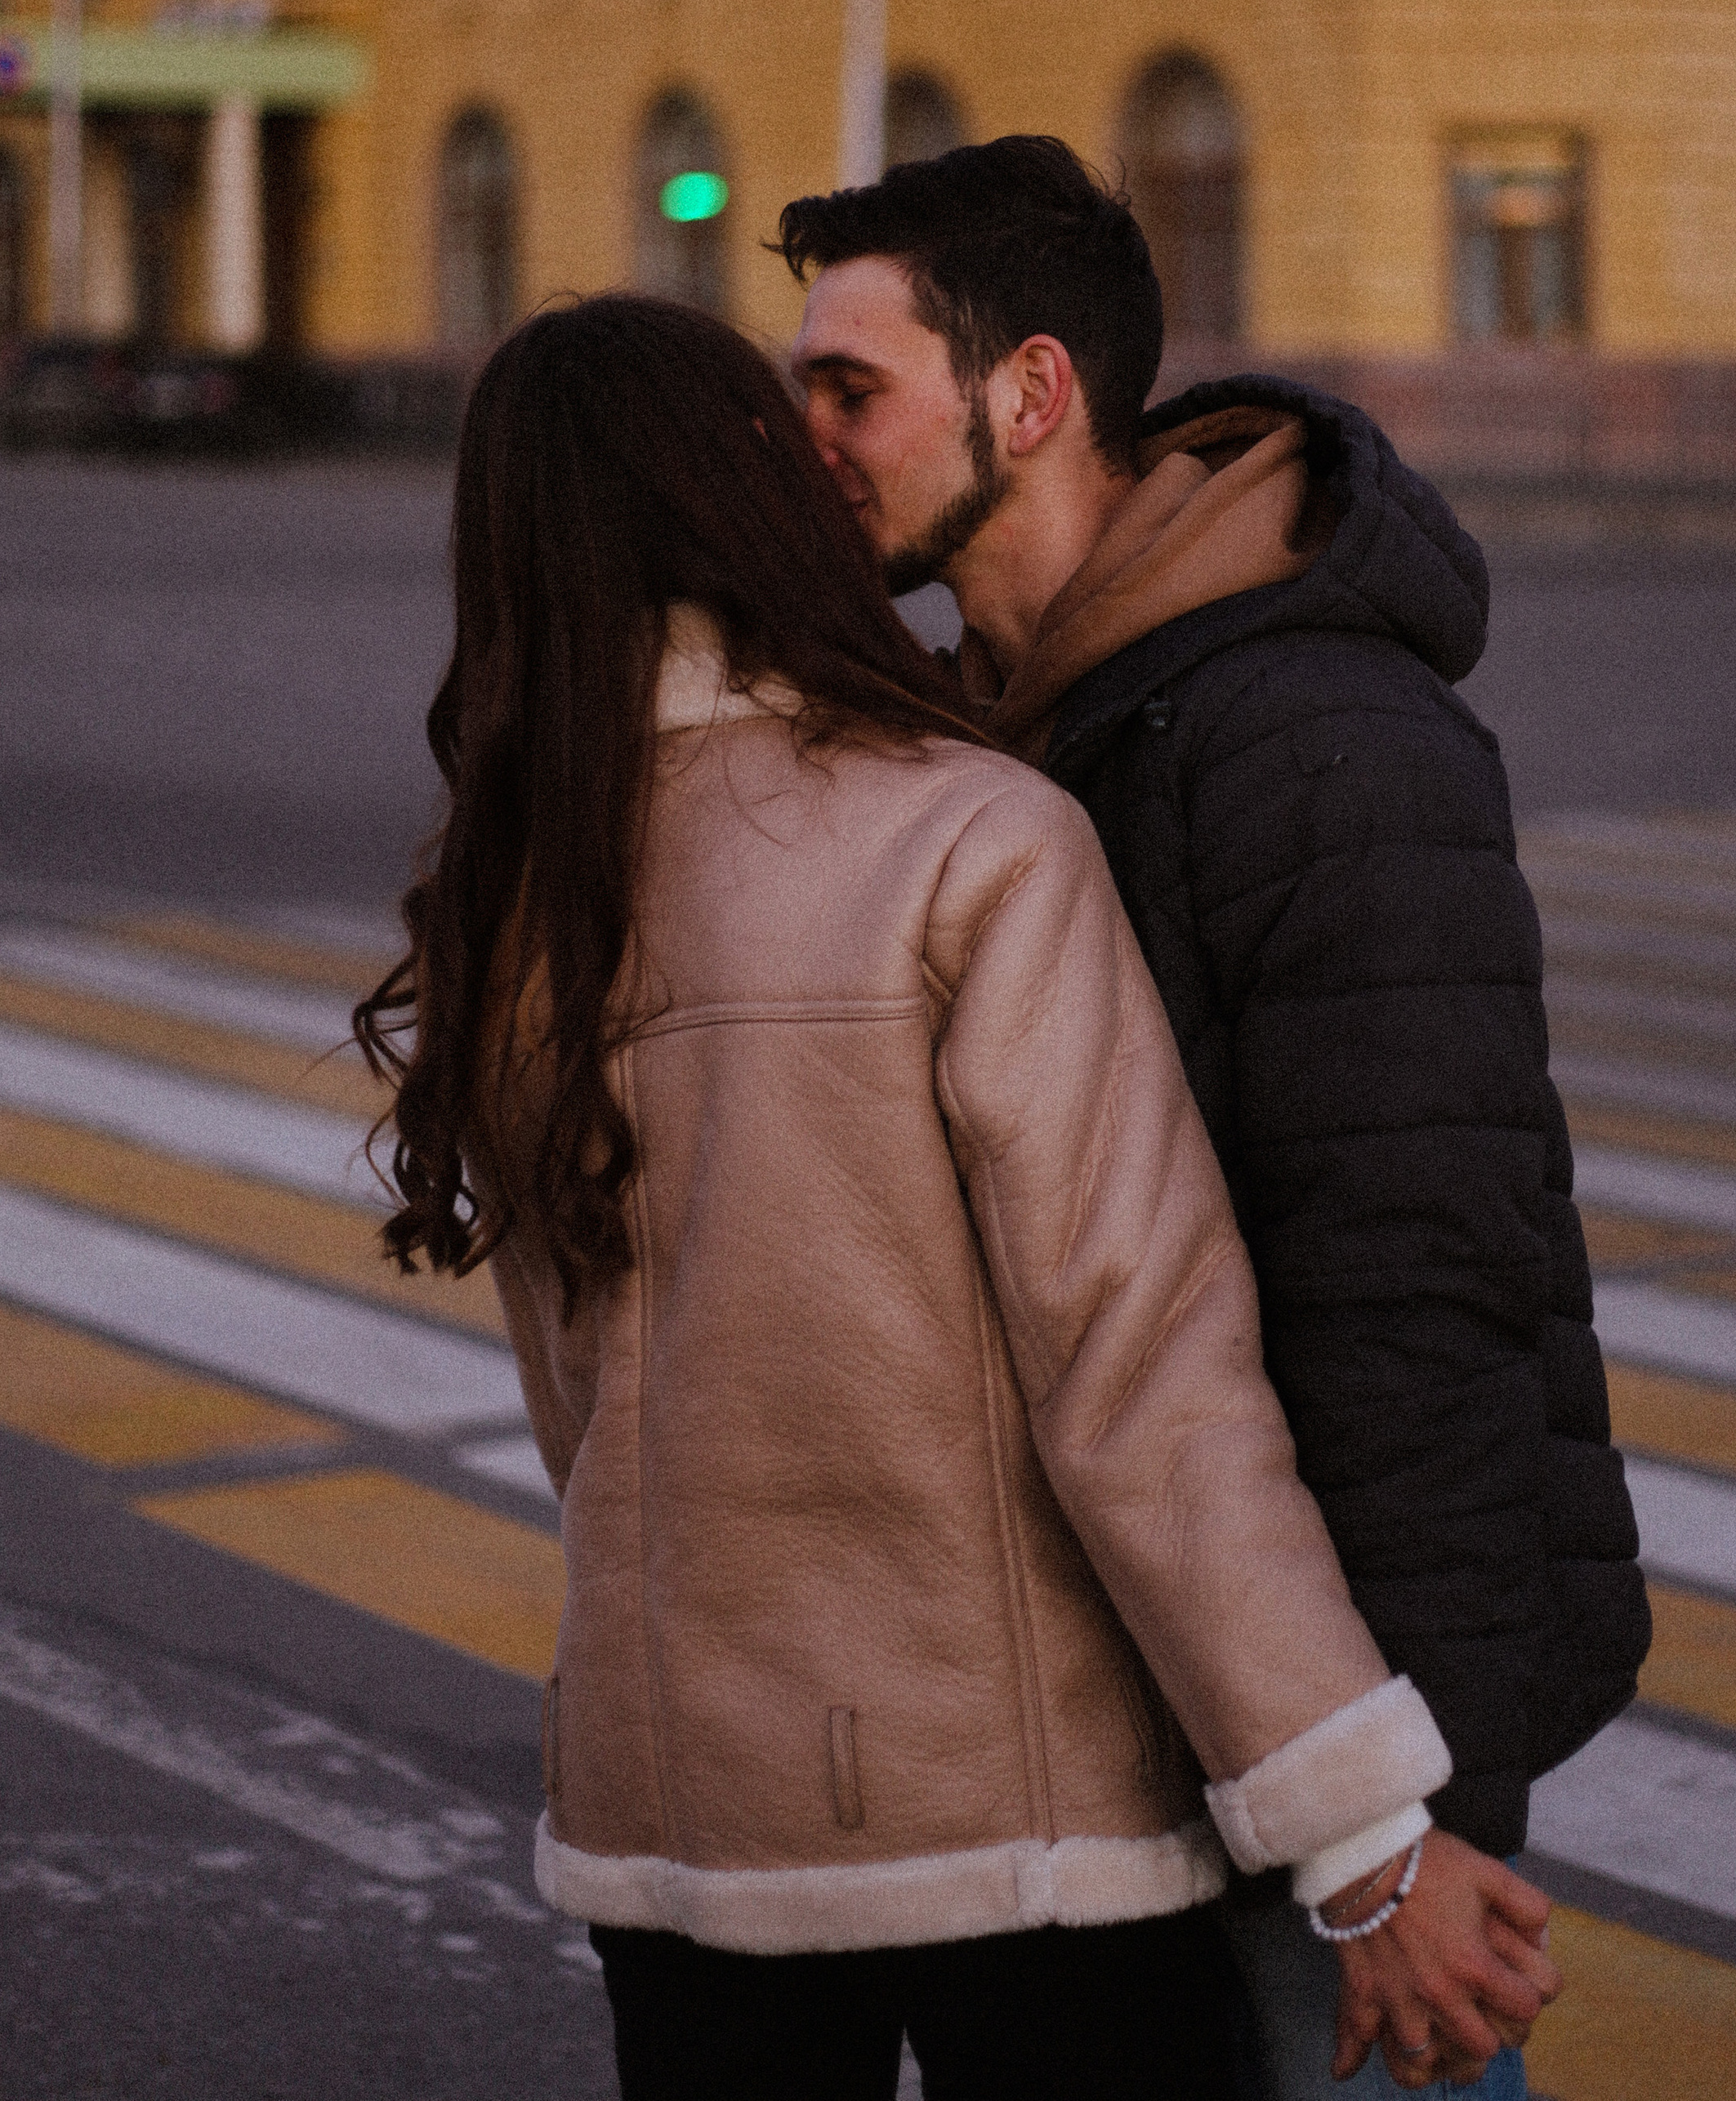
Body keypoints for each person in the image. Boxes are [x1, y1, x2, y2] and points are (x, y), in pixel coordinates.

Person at [355, 295, 1560, 2101]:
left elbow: (583, 1411)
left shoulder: (520, 909)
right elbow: (1141, 1380)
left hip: (676, 1821)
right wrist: (1359, 1839)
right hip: (1024, 1842)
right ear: (749, 494)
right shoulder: (964, 839)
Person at [780, 141, 1653, 2101]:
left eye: (851, 388)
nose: (807, 439)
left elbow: (1417, 1295)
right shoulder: (987, 726)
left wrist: (1408, 1818)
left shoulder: (1317, 742)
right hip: (1122, 1711)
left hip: (1330, 1745)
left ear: (1029, 393)